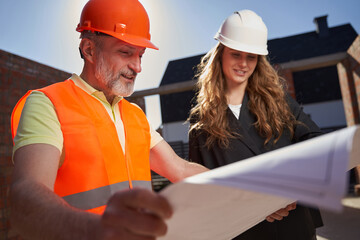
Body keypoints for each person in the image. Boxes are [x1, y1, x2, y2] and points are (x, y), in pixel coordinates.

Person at [10, 0, 208, 239]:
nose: (137, 67)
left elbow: (181, 169)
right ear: (89, 50)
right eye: (125, 52)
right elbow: (25, 198)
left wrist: (253, 189)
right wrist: (96, 230)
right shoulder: (48, 103)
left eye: (141, 55)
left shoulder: (135, 115)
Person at [188, 10, 323, 240]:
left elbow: (315, 140)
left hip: (295, 227)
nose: (243, 64)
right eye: (236, 54)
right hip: (244, 232)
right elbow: (201, 189)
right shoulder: (202, 120)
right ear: (221, 54)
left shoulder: (278, 100)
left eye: (251, 57)